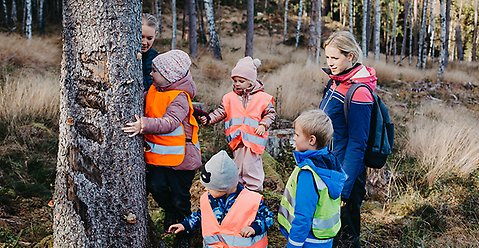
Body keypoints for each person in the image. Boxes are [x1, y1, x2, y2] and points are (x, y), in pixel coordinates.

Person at [122, 49, 201, 247]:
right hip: (159, 157)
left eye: (155, 71)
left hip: (182, 161)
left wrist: (144, 125)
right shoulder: (155, 90)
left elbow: (170, 122)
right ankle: (170, 212)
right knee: (156, 187)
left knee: (180, 199)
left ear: (168, 76)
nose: (150, 73)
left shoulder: (179, 97)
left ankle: (185, 233)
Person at [319, 31, 377, 248]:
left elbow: (357, 143)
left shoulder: (359, 91)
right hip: (329, 166)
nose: (330, 63)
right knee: (329, 232)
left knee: (346, 236)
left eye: (335, 58)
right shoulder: (336, 82)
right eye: (327, 58)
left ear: (351, 56)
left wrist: (344, 187)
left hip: (346, 173)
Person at [199, 57, 276, 192]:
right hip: (237, 139)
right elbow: (220, 112)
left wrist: (263, 124)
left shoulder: (263, 98)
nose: (237, 84)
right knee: (238, 165)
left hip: (253, 140)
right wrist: (209, 119)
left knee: (252, 166)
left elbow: (270, 114)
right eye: (235, 81)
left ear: (251, 82)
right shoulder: (229, 98)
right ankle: (239, 190)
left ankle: (254, 191)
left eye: (241, 81)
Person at [168, 150, 274, 247]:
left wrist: (254, 228)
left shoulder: (251, 200)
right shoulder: (208, 199)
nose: (206, 189)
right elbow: (201, 216)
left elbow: (268, 217)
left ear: (224, 187)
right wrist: (185, 225)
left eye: (210, 188)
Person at [278, 109, 347, 248]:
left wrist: (293, 245)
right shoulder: (330, 163)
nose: (294, 138)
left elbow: (303, 216)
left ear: (311, 140)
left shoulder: (308, 174)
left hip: (306, 241)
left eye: (297, 135)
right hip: (324, 241)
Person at [142, 13, 160, 91]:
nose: (144, 43)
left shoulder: (157, 59)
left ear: (155, 35)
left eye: (149, 38)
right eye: (141, 37)